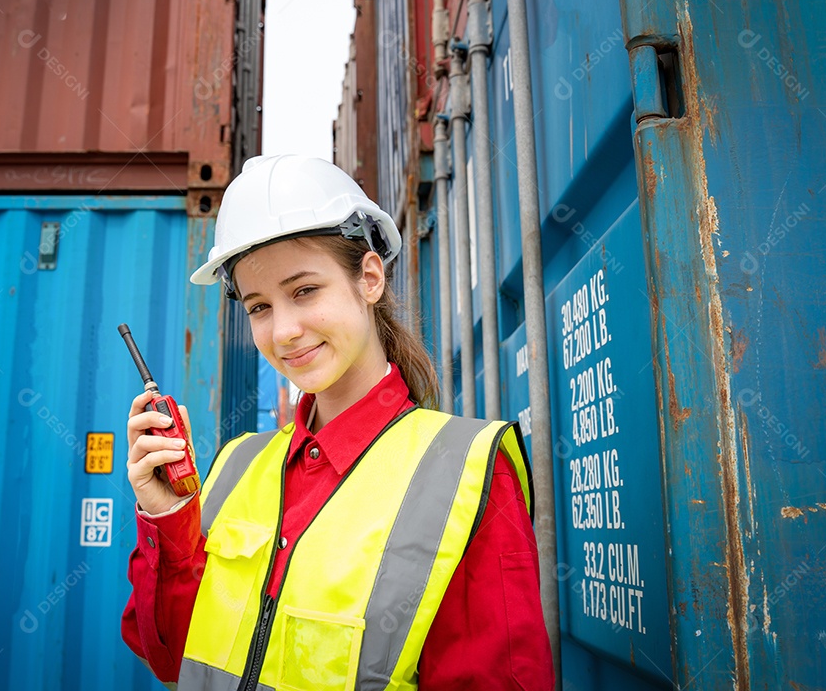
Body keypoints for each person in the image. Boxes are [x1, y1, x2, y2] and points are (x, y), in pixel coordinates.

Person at [121, 155, 554, 690]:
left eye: (304, 291)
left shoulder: (465, 475)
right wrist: (170, 516)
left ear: (369, 278)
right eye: (259, 306)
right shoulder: (236, 466)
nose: (283, 331)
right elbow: (172, 660)